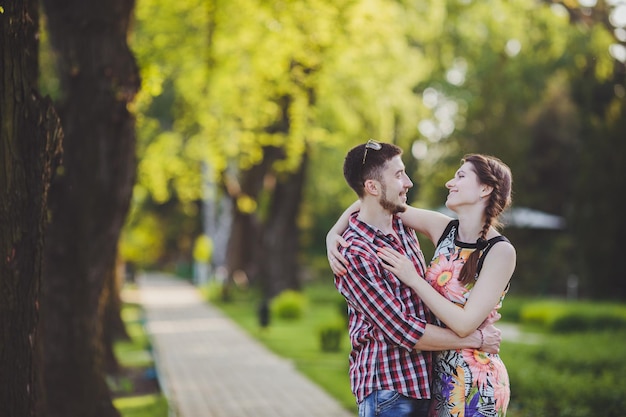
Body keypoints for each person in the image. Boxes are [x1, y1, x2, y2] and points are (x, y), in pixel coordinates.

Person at [328, 150, 516, 417]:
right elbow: (373, 201)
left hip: (474, 380)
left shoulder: (500, 251)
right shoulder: (443, 228)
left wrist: (414, 279)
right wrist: (333, 233)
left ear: (485, 188)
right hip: (436, 377)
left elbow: (464, 323)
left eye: (460, 176)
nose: (450, 183)